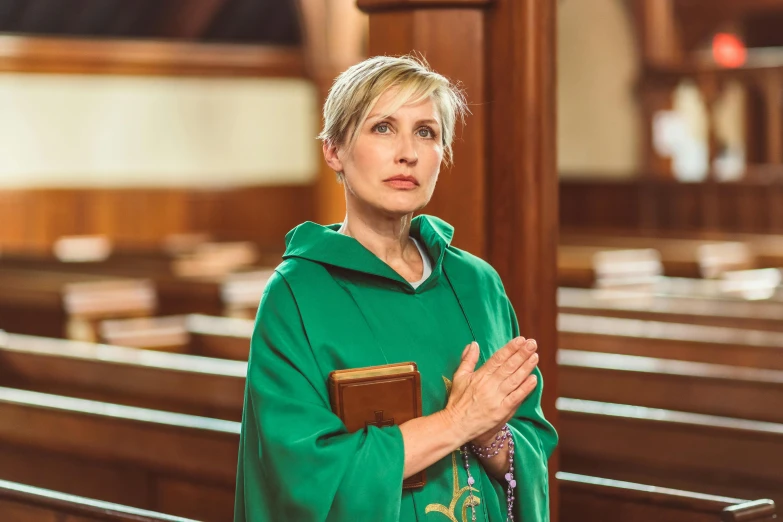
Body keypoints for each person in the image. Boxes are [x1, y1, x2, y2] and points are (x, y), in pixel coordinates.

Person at [234, 54, 558, 522]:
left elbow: (528, 446)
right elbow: (301, 476)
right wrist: (457, 423)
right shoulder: (296, 294)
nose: (407, 152)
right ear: (334, 150)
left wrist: (493, 439)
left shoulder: (477, 283)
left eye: (425, 132)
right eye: (383, 127)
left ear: (442, 154)